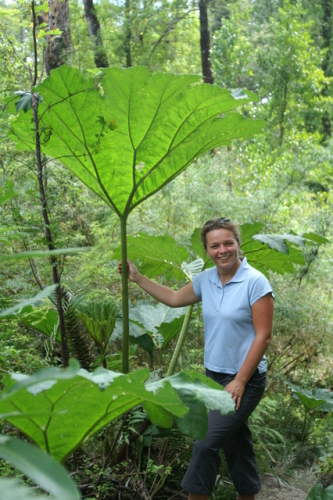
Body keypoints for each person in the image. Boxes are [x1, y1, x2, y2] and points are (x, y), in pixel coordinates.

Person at [118, 217, 274, 500]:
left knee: (205, 443)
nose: (222, 250)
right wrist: (137, 277)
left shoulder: (255, 282)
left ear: (238, 244)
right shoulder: (206, 279)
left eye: (228, 243)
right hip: (212, 377)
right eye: (215, 246)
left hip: (245, 380)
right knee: (237, 443)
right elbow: (175, 298)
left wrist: (240, 380)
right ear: (207, 250)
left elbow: (263, 336)